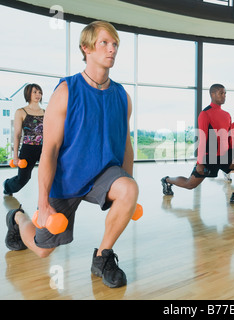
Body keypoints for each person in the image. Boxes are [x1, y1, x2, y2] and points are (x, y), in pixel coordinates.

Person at [5, 21, 139, 288]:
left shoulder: (122, 96)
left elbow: (126, 145)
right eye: (104, 43)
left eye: (115, 44)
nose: (111, 49)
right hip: (67, 179)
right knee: (42, 249)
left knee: (129, 188)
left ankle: (102, 258)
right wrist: (43, 204)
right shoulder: (67, 91)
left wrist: (129, 187)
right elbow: (50, 150)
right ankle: (16, 218)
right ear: (86, 47)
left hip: (104, 173)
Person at [161, 84, 234, 203]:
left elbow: (228, 137)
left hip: (225, 154)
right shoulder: (205, 114)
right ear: (212, 94)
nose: (224, 96)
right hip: (209, 157)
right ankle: (167, 180)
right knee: (190, 184)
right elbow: (202, 139)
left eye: (225, 93)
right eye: (221, 93)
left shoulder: (227, 115)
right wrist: (200, 163)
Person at [3, 83, 44, 196]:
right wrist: (15, 156)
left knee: (50, 175)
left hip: (43, 149)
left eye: (39, 92)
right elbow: (17, 135)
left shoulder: (45, 112)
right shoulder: (21, 112)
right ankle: (7, 186)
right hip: (28, 149)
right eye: (34, 92)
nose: (38, 95)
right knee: (23, 179)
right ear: (28, 94)